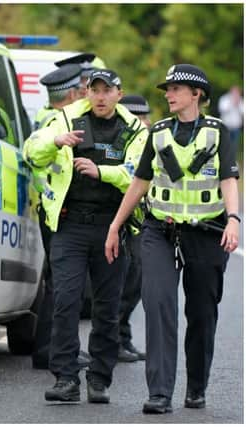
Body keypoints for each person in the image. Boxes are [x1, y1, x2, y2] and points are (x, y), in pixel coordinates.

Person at [104, 64, 240, 414]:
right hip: (159, 231)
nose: (168, 94)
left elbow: (228, 179)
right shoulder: (159, 133)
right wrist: (115, 226)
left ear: (197, 95)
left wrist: (234, 220)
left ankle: (196, 387)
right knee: (159, 304)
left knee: (201, 312)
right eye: (168, 89)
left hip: (206, 233)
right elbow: (140, 182)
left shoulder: (217, 132)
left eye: (176, 89)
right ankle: (160, 393)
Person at [24, 69, 147, 404]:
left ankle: (99, 378)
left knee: (107, 307)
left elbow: (138, 174)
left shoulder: (134, 129)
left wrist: (101, 172)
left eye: (108, 90)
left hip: (112, 226)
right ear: (86, 93)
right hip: (69, 225)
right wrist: (54, 141)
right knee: (66, 300)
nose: (101, 97)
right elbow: (31, 151)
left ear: (119, 94)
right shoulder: (65, 119)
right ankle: (65, 378)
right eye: (95, 90)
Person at [27, 63, 85, 370]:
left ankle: (56, 346)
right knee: (62, 284)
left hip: (50, 210)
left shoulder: (43, 119)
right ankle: (51, 348)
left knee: (57, 282)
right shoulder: (58, 124)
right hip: (59, 212)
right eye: (83, 90)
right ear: (74, 93)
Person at [115, 95, 151, 363]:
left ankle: (123, 335)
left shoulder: (150, 142)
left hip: (142, 222)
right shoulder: (119, 143)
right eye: (138, 117)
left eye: (146, 116)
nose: (145, 122)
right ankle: (113, 338)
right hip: (120, 220)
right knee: (123, 281)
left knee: (137, 280)